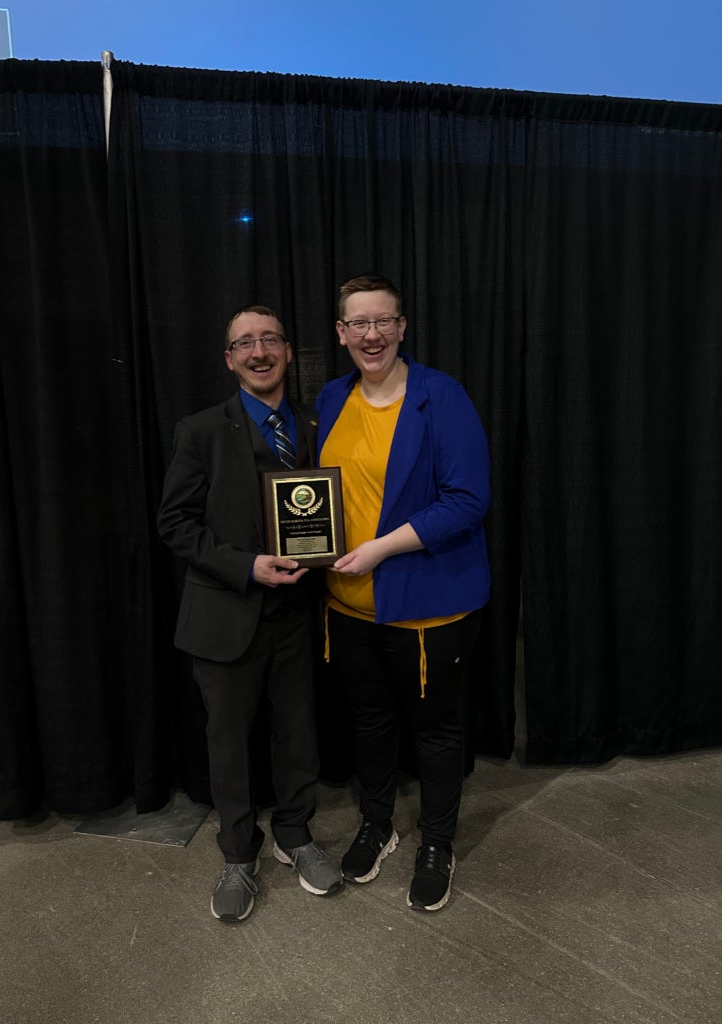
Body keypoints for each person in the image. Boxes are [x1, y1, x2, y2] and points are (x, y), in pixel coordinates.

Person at [157, 305, 343, 923]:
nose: (259, 352)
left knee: (299, 734)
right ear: (230, 359)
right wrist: (245, 566)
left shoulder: (319, 423)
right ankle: (238, 856)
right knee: (229, 744)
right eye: (245, 343)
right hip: (225, 614)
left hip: (298, 614)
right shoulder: (202, 430)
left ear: (289, 351)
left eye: (269, 340)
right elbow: (174, 524)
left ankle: (296, 837)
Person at [316, 274, 490, 912]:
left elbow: (469, 500)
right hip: (348, 607)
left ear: (402, 327)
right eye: (358, 323)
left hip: (429, 607)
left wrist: (383, 547)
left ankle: (438, 845)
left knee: (439, 733)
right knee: (369, 723)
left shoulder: (441, 397)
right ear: (340, 334)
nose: (371, 334)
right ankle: (377, 824)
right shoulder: (333, 396)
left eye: (383, 321)